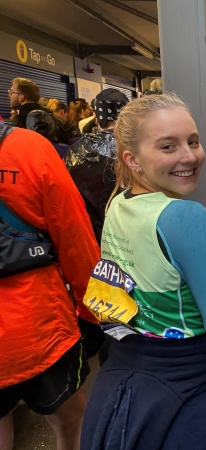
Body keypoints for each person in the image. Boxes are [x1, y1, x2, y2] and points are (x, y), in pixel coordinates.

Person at [80, 94, 206, 449]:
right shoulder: (185, 217)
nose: (189, 156)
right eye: (168, 146)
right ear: (132, 159)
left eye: (193, 141)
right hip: (187, 381)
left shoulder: (118, 203)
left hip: (122, 378)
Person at [0, 123, 101, 450]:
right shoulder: (30, 150)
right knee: (71, 424)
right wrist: (94, 311)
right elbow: (76, 242)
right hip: (40, 330)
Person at [65, 89, 128, 244]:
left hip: (89, 237)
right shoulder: (137, 146)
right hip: (129, 236)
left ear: (98, 118)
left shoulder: (76, 150)